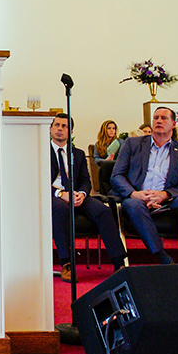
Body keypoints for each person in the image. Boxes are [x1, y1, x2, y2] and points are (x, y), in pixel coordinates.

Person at [110, 107, 178, 264]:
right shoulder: (132, 144)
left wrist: (164, 195)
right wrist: (134, 193)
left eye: (164, 118)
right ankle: (163, 257)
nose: (159, 121)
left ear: (173, 124)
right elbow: (116, 176)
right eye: (156, 118)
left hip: (166, 200)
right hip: (136, 198)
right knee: (133, 205)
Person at [49, 114, 125, 281]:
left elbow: (86, 180)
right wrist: (61, 194)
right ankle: (66, 264)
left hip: (77, 195)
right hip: (54, 195)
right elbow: (38, 181)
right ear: (50, 128)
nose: (60, 129)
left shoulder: (78, 153)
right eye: (57, 125)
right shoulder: (41, 152)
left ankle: (119, 263)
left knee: (103, 211)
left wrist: (82, 194)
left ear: (71, 131)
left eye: (65, 126)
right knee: (60, 209)